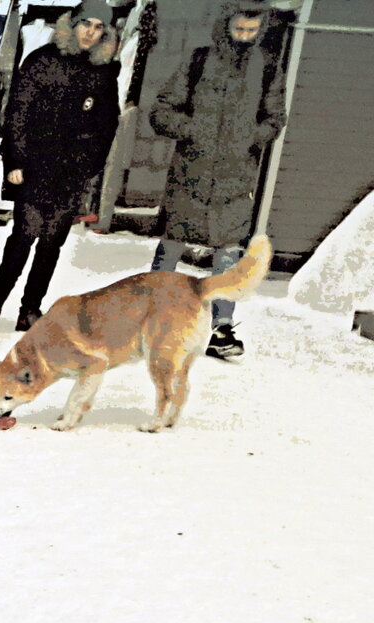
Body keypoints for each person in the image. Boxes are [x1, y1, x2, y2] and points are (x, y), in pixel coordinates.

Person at [148, 1, 285, 359]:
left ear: (260, 30)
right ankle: (149, 318)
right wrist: (192, 129)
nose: (243, 37)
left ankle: (222, 330)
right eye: (239, 29)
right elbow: (162, 110)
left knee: (228, 253)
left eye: (251, 32)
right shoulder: (198, 60)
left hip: (235, 178)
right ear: (226, 25)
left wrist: (252, 136)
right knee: (171, 248)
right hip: (190, 173)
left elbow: (275, 117)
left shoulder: (267, 67)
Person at [0, 0, 120, 332]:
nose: (91, 32)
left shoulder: (103, 73)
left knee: (51, 242)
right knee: (24, 234)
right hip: (33, 165)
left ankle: (31, 307)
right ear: (72, 24)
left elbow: (106, 126)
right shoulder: (42, 61)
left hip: (70, 172)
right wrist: (14, 160)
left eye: (100, 27)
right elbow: (18, 113)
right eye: (87, 24)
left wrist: (88, 166)